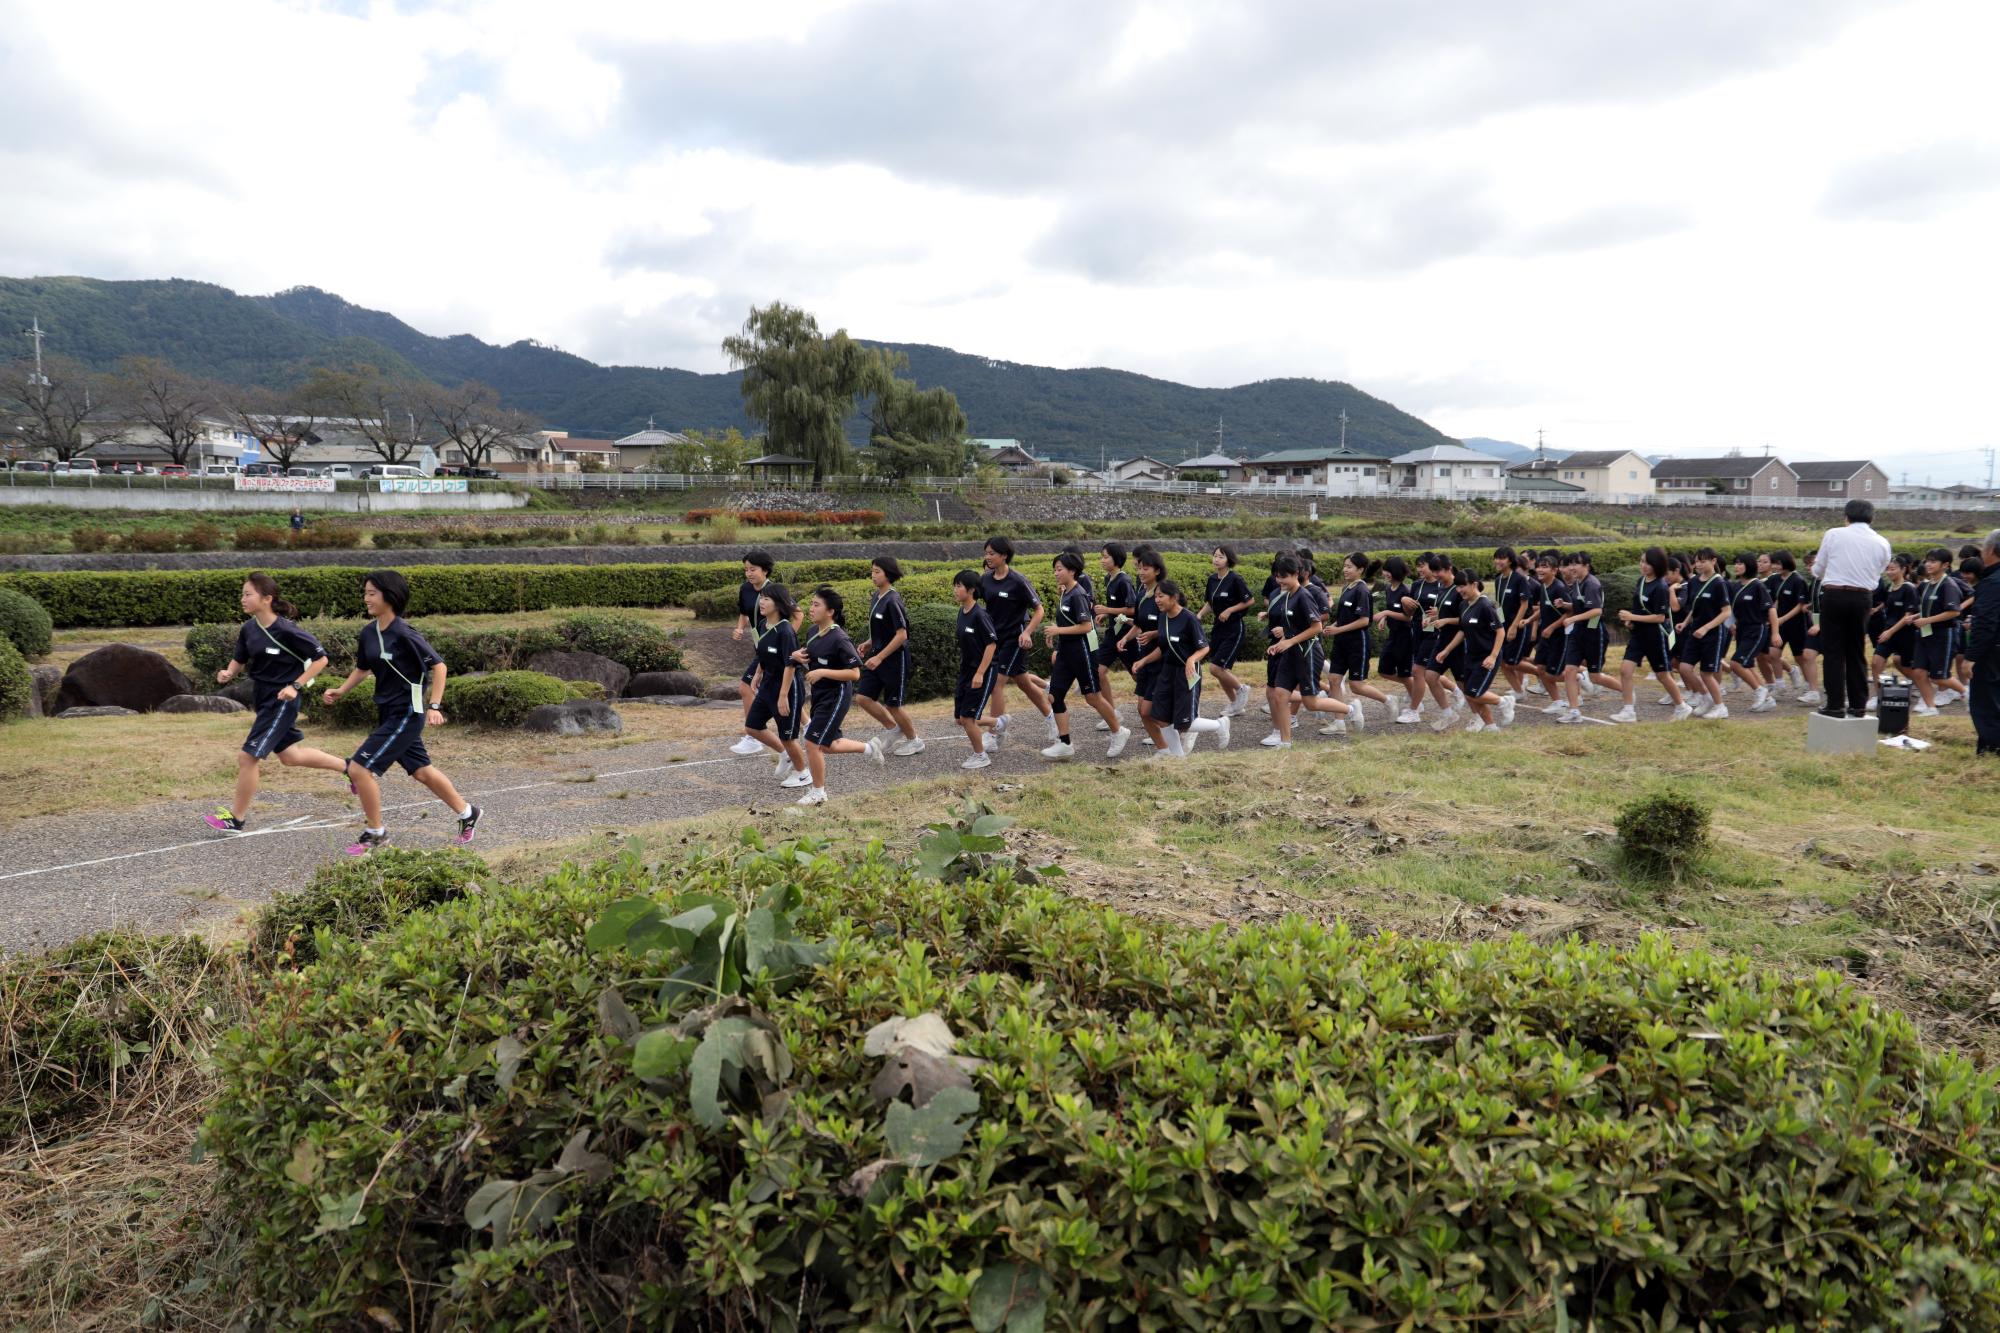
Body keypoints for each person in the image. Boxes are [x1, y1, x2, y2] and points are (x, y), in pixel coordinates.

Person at [321, 569, 481, 855]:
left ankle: (376, 833)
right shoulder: (368, 632)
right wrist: (341, 690)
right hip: (387, 710)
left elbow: (439, 666)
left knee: (359, 768)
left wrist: (434, 706)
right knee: (421, 771)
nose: (365, 598)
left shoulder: (404, 632)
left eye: (372, 593)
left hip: (407, 712)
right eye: (366, 592)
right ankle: (468, 812)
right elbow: (363, 668)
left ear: (389, 596)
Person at [204, 573, 349, 834]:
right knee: (291, 757)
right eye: (243, 594)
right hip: (262, 697)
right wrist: (228, 672)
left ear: (267, 598)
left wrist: (295, 686)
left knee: (248, 757)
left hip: (282, 700)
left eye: (248, 594)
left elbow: (321, 659)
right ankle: (350, 768)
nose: (243, 599)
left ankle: (236, 819)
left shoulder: (287, 630)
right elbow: (240, 658)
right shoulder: (249, 628)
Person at [788, 587, 886, 806]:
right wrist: (797, 656)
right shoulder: (814, 632)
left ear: (830, 611)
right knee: (827, 744)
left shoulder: (839, 638)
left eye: (816, 605)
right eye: (811, 604)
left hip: (837, 695)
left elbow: (854, 673)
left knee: (812, 741)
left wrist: (823, 672)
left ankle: (818, 792)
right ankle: (870, 748)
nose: (811, 609)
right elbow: (811, 656)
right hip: (820, 695)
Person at [1040, 552, 1129, 759]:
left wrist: (1058, 631)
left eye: (1059, 569)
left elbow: (1086, 626)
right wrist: (1057, 640)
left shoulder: (1078, 594)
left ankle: (1119, 731)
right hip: (1066, 653)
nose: (1056, 573)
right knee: (1054, 696)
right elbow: (1066, 623)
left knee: (1092, 697)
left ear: (1072, 571)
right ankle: (1065, 744)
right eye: (1055, 569)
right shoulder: (1064, 591)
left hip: (1082, 652)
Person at [1811, 500, 1894, 719]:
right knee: (1856, 651)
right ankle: (1858, 705)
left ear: (1846, 516)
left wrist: (1827, 574)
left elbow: (1818, 568)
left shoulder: (1834, 534)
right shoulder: (1882, 542)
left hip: (1834, 594)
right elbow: (1879, 572)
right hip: (1863, 598)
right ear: (1872, 518)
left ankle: (1835, 705)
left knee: (1833, 652)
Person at [1131, 578, 1229, 758]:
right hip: (1167, 672)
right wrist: (1144, 660)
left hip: (1187, 673)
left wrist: (1192, 660)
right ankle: (1177, 757)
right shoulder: (1162, 618)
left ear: (1174, 597)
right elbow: (1163, 647)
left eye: (1161, 596)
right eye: (1156, 597)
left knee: (1184, 723)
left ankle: (1220, 725)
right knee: (1160, 717)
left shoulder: (1189, 619)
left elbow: (1204, 647)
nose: (1157, 600)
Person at [1260, 554, 1350, 747]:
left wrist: (1290, 641)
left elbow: (1316, 627)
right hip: (1290, 653)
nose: (1279, 581)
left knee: (1311, 703)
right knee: (1280, 695)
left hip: (1308, 654)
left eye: (1284, 576)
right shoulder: (1286, 596)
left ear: (1296, 574)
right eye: (1277, 576)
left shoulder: (1304, 596)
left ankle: (1349, 709)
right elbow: (1293, 627)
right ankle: (1285, 743)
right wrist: (1280, 643)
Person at [978, 536, 1058, 744]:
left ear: (1004, 556)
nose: (988, 557)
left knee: (996, 684)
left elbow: (1039, 610)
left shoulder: (1018, 581)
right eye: (986, 553)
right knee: (1023, 682)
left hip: (1015, 639)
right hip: (996, 639)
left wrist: (1027, 632)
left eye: (992, 553)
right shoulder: (985, 579)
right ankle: (1051, 716)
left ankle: (994, 734)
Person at [740, 583, 808, 788]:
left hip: (787, 686)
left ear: (778, 604)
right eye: (761, 598)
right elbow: (763, 653)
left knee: (788, 736)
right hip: (768, 683)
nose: (761, 602)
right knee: (752, 726)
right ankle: (786, 754)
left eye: (767, 599)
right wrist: (758, 674)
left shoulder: (786, 631)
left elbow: (790, 664)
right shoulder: (763, 626)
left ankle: (803, 773)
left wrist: (783, 696)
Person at [853, 556, 922, 756]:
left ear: (888, 574)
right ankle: (893, 729)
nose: (873, 575)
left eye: (877, 572)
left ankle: (914, 741)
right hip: (877, 655)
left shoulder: (893, 600)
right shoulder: (877, 596)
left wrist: (880, 657)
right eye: (872, 571)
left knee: (893, 704)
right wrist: (869, 643)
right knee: (863, 697)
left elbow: (901, 635)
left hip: (893, 660)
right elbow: (882, 630)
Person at [1612, 547, 1690, 724]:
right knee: (1625, 670)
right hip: (1638, 635)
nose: (1643, 565)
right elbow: (1640, 607)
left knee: (1663, 675)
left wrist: (1632, 616)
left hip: (1656, 637)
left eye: (1647, 562)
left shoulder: (1661, 587)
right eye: (1641, 561)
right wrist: (1631, 621)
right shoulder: (1641, 581)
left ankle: (1682, 706)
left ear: (1657, 564)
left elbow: (1659, 617)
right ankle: (1628, 710)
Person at [1434, 567, 1509, 731]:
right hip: (1471, 656)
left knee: (1473, 693)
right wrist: (1446, 650)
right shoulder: (1463, 605)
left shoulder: (1487, 605)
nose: (1459, 590)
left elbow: (1501, 631)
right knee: (1470, 692)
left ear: (1474, 584)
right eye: (1458, 586)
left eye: (1463, 586)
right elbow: (1462, 630)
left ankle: (1504, 701)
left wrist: (1493, 656)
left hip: (1487, 656)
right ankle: (1491, 727)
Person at [1322, 552, 1392, 728]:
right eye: (1344, 566)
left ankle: (1388, 700)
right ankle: (1339, 722)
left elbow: (1363, 620)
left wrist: (1338, 629)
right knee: (1333, 679)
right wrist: (1332, 627)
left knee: (1356, 685)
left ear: (1360, 569)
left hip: (1357, 643)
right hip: (1341, 642)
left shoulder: (1361, 590)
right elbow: (1344, 617)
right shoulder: (1347, 588)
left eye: (1349, 566)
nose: (1345, 569)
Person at [950, 570, 1002, 769]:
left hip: (983, 671)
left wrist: (980, 673)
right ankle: (997, 722)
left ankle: (980, 756)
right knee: (959, 718)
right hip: (966, 671)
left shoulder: (980, 615)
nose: (955, 590)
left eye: (959, 586)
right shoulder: (961, 612)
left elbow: (991, 645)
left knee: (967, 717)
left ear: (971, 590)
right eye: (955, 585)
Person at [729, 551, 778, 755]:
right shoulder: (745, 589)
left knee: (746, 687)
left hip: (773, 649)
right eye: (746, 570)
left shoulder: (774, 591)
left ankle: (752, 736)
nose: (749, 573)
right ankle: (809, 724)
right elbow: (744, 613)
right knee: (776, 690)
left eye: (753, 569)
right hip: (760, 647)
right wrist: (740, 628)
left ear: (765, 570)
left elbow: (798, 614)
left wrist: (783, 638)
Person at [1907, 548, 1965, 717]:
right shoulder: (1926, 584)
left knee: (1939, 677)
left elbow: (1954, 612)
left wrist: (1927, 620)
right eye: (1927, 561)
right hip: (1925, 634)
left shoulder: (1949, 585)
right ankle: (1931, 707)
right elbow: (1929, 610)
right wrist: (1917, 616)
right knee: (1918, 671)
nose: (1928, 564)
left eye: (1933, 561)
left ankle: (1966, 693)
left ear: (1945, 565)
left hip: (1943, 634)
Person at [1676, 548, 1732, 718]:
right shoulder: (1694, 582)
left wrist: (1706, 627)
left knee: (1706, 673)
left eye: (1703, 561)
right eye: (1697, 561)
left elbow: (1726, 612)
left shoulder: (1719, 583)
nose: (1699, 564)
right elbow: (1695, 607)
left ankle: (1720, 707)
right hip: (1694, 632)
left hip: (1713, 634)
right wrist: (1685, 623)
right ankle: (1706, 697)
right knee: (1684, 668)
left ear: (1713, 561)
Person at [1200, 546, 1255, 717]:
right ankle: (1235, 705)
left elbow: (1250, 600)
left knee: (1216, 668)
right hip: (1219, 627)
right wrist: (1199, 615)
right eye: (1215, 556)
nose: (1216, 559)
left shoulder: (1235, 579)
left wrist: (1230, 610)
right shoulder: (1212, 579)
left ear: (1228, 560)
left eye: (1220, 557)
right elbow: (1210, 602)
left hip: (1234, 628)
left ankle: (1242, 689)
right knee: (1220, 669)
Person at [1722, 554, 1780, 712]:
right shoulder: (1735, 586)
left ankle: (1760, 690)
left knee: (1736, 663)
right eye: (1736, 563)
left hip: (1756, 629)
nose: (1737, 566)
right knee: (1746, 665)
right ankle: (1767, 699)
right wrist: (1731, 624)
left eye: (1741, 563)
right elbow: (1731, 610)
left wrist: (1775, 633)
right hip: (1741, 630)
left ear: (1749, 566)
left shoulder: (1758, 586)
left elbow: (1771, 610)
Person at [1866, 554, 1920, 710]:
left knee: (1904, 665)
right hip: (1888, 632)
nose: (1889, 572)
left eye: (1893, 569)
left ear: (1903, 569)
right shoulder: (1889, 588)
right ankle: (1878, 696)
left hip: (1905, 634)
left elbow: (1907, 616)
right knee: (1876, 662)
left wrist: (1890, 631)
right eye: (1887, 569)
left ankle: (1923, 688)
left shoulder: (1909, 588)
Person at [1091, 543, 1138, 717]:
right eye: (1101, 556)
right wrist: (1106, 615)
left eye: (1105, 557)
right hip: (1113, 634)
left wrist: (1107, 610)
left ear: (1116, 559)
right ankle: (1112, 713)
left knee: (1137, 674)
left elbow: (1132, 609)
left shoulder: (1124, 581)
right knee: (1099, 671)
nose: (1102, 560)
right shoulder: (1108, 579)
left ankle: (1158, 710)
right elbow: (1116, 607)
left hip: (1128, 635)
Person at [1373, 556, 1421, 723]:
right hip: (1393, 634)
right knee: (1383, 670)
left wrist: (1386, 614)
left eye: (1388, 570)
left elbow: (1408, 617)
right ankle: (1415, 693)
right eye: (1384, 570)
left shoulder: (1405, 592)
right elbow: (1389, 608)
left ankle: (1416, 701)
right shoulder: (1388, 589)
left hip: (1406, 636)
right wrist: (1384, 619)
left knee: (1405, 672)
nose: (1385, 573)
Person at [1967, 530, 1999, 756]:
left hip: (1992, 652)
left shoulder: (1992, 582)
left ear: (1990, 551)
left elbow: (1986, 623)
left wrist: (1971, 657)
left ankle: (1991, 750)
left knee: (1987, 703)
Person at [1493, 547, 1537, 700]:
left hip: (1520, 626)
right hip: (1504, 626)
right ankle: (1519, 691)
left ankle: (1541, 672)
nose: (1498, 561)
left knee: (1512, 662)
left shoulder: (1519, 579)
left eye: (1502, 558)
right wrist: (1499, 624)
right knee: (1503, 661)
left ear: (1510, 561)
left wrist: (1513, 626)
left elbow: (1524, 605)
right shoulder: (1498, 579)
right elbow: (1499, 604)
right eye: (1496, 558)